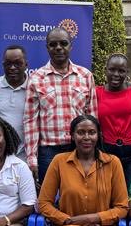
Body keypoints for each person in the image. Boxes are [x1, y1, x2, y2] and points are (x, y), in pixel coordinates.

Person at [23, 27, 97, 182]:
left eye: (63, 43)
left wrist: (93, 151)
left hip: (78, 149)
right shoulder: (36, 79)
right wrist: (32, 158)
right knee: (48, 198)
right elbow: (30, 121)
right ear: (47, 47)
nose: (58, 48)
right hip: (48, 151)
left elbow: (92, 117)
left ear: (71, 46)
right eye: (53, 44)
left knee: (79, 195)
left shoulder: (85, 76)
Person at [96, 53, 131, 188]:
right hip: (107, 153)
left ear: (127, 72)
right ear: (105, 70)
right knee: (109, 194)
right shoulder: (96, 93)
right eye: (112, 69)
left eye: (121, 70)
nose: (116, 74)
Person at [0, 45, 29, 159]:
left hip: (28, 155)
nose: (12, 67)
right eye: (8, 64)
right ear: (3, 65)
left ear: (26, 65)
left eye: (18, 63)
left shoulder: (35, 86)